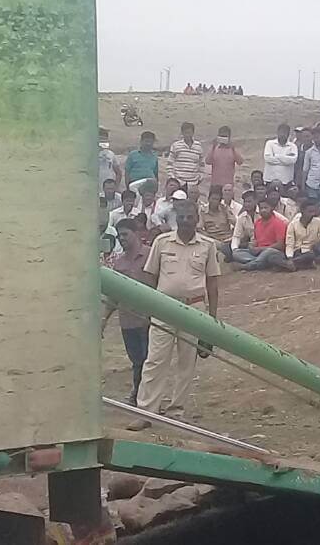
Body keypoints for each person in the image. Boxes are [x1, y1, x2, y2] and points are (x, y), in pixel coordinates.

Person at [128, 201, 220, 430]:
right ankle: (146, 412)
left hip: (194, 310)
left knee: (186, 363)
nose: (186, 222)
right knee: (155, 360)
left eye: (190, 217)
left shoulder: (208, 246)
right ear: (175, 219)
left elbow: (212, 283)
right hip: (164, 308)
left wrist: (211, 321)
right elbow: (150, 277)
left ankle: (176, 412)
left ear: (197, 219)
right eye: (182, 217)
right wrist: (151, 308)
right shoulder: (162, 242)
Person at [102, 219, 157, 405]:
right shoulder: (119, 263)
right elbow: (113, 297)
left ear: (136, 233)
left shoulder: (152, 256)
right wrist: (103, 320)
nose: (122, 239)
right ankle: (140, 395)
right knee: (137, 361)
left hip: (150, 320)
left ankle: (141, 397)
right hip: (128, 321)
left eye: (125, 234)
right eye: (119, 236)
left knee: (148, 361)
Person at [234, 195, 291, 271]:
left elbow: (280, 245)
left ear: (272, 209)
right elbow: (256, 240)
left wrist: (261, 249)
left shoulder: (279, 223)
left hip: (273, 251)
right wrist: (252, 246)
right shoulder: (257, 223)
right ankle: (260, 262)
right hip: (259, 252)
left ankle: (249, 266)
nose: (263, 210)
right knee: (236, 253)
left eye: (266, 208)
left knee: (269, 252)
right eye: (261, 208)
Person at [284, 197, 320, 269]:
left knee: (311, 255)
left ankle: (289, 265)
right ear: (302, 211)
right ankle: (301, 264)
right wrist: (289, 258)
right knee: (274, 255)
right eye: (310, 211)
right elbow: (290, 244)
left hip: (312, 250)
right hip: (297, 252)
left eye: (314, 211)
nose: (313, 214)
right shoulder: (293, 224)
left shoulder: (318, 221)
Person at [200, 185, 235, 261]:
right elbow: (199, 229)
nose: (215, 201)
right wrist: (208, 236)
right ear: (209, 199)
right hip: (212, 238)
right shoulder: (202, 211)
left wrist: (227, 211)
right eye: (213, 199)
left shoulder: (225, 209)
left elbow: (235, 222)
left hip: (228, 238)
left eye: (217, 199)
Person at [168, 122, 205, 188]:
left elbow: (202, 163)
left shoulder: (198, 146)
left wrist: (200, 177)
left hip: (193, 183)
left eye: (189, 133)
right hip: (178, 182)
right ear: (182, 133)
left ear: (193, 133)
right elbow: (170, 163)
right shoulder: (176, 145)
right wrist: (172, 178)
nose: (188, 135)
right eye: (186, 133)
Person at [98, 127, 121, 194]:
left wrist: (116, 186)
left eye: (104, 138)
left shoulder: (111, 154)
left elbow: (118, 173)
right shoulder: (90, 153)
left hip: (108, 187)